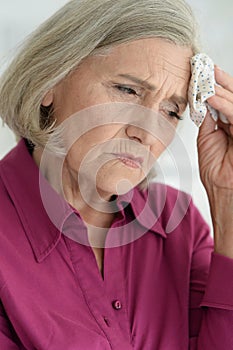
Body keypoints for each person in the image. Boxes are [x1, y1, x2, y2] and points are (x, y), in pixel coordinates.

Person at [0, 0, 233, 349]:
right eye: (127, 90)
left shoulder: (180, 225)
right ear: (51, 79)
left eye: (171, 111)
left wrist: (228, 200)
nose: (148, 132)